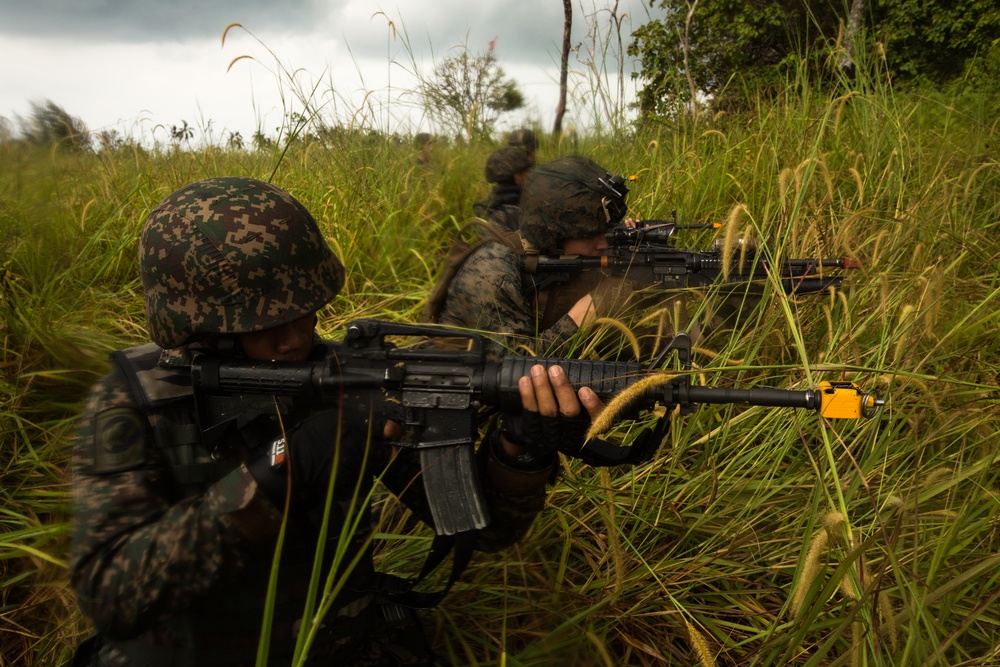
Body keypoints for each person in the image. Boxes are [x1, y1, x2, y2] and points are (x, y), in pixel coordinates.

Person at [69, 177, 604, 666]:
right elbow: (111, 596)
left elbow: (483, 530)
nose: (293, 337)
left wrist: (521, 449)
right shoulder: (137, 401)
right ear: (193, 326)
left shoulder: (345, 379)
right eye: (262, 323)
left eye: (303, 309)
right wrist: (283, 470)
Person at [428, 155, 639, 359]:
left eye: (607, 231)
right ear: (554, 235)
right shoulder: (491, 271)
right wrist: (590, 308)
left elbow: (616, 346)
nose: (603, 243)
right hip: (454, 387)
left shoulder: (564, 261)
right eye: (591, 235)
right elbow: (518, 366)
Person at [471, 145, 533, 232]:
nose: (528, 175)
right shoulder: (527, 205)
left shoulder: (484, 209)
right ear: (516, 176)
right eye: (524, 172)